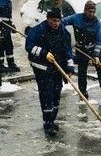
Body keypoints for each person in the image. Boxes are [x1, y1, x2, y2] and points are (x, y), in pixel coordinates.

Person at [25, 7, 75, 137]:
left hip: (57, 68)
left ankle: (52, 119)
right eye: (53, 20)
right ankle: (47, 123)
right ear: (47, 19)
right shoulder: (38, 30)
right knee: (47, 94)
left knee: (56, 94)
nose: (56, 23)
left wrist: (69, 68)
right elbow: (29, 46)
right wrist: (44, 53)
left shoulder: (64, 33)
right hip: (42, 67)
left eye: (58, 20)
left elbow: (68, 51)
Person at [61, 0, 101, 99]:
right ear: (85, 10)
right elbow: (62, 22)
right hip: (81, 50)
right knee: (82, 72)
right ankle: (83, 93)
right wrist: (64, 35)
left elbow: (99, 41)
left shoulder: (97, 24)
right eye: (89, 11)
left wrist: (96, 55)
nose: (91, 14)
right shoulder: (76, 18)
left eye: (93, 12)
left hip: (93, 48)